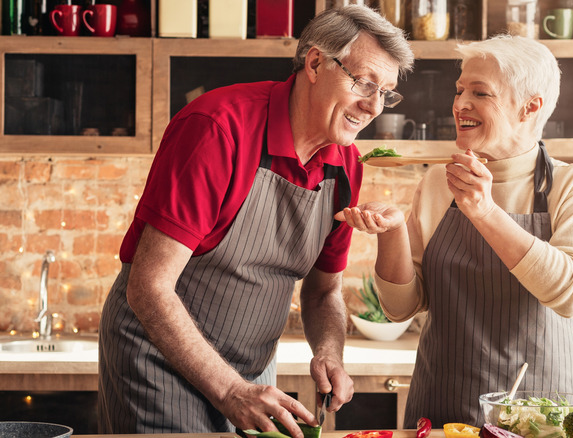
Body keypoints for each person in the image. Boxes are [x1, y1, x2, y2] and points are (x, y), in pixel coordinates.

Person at [97, 6, 414, 435]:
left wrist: (329, 352)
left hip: (252, 372)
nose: (373, 106)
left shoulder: (346, 165)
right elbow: (149, 286)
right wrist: (229, 390)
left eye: (386, 92)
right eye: (364, 83)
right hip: (158, 363)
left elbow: (323, 293)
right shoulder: (218, 128)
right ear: (316, 63)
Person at [336, 35, 573, 428]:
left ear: (529, 107)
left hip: (542, 419)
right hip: (444, 411)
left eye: (480, 93)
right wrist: (392, 232)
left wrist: (484, 211)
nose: (460, 103)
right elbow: (401, 307)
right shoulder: (436, 183)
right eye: (460, 89)